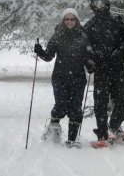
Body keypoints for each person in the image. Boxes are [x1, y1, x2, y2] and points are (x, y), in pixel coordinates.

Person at [83, 0, 124, 143]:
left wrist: (120, 51)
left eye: (103, 3)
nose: (100, 6)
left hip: (118, 69)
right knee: (100, 103)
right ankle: (102, 133)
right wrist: (89, 63)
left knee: (122, 101)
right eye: (97, 4)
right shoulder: (88, 26)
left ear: (107, 4)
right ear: (92, 6)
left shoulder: (119, 21)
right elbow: (84, 49)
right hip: (101, 71)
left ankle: (114, 126)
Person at [34, 8, 90, 148]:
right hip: (60, 77)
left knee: (76, 108)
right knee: (60, 106)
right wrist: (40, 51)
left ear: (76, 21)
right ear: (63, 21)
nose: (69, 21)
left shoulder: (83, 36)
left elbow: (88, 56)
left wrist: (91, 64)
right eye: (67, 19)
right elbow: (49, 56)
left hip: (78, 78)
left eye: (72, 19)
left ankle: (72, 139)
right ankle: (53, 132)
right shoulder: (57, 36)